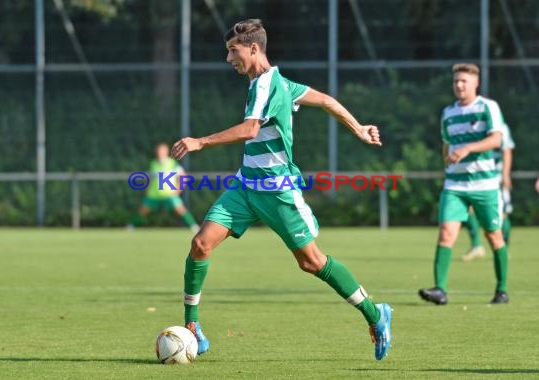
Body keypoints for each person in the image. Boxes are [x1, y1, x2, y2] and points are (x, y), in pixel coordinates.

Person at [169, 19, 392, 360]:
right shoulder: (279, 84)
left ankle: (376, 316)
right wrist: (357, 127)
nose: (229, 59)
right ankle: (193, 327)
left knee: (312, 262)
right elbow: (328, 101)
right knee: (201, 244)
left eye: (233, 50)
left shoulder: (266, 85)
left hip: (278, 190)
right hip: (245, 187)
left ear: (254, 49)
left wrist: (200, 141)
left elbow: (249, 129)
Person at [419, 63, 509, 305]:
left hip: (485, 186)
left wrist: (468, 148)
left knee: (494, 237)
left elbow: (496, 139)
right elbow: (446, 143)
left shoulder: (488, 107)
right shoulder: (448, 112)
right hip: (455, 186)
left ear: (475, 83)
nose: (459, 85)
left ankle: (502, 290)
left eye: (464, 81)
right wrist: (447, 162)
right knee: (446, 234)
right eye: (456, 81)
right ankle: (440, 290)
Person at [461, 122, 515, 261]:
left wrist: (506, 175)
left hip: (495, 176)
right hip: (476, 176)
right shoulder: (472, 125)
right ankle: (476, 246)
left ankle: (504, 249)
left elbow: (507, 150)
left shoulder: (501, 126)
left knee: (501, 214)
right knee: (469, 209)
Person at [127, 143, 200, 232]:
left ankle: (194, 226)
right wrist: (148, 189)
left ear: (166, 151)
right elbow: (150, 178)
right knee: (142, 211)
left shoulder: (172, 163)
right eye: (158, 150)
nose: (159, 152)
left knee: (180, 210)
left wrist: (178, 190)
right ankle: (131, 226)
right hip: (154, 194)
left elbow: (183, 177)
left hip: (169, 194)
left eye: (161, 150)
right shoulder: (153, 163)